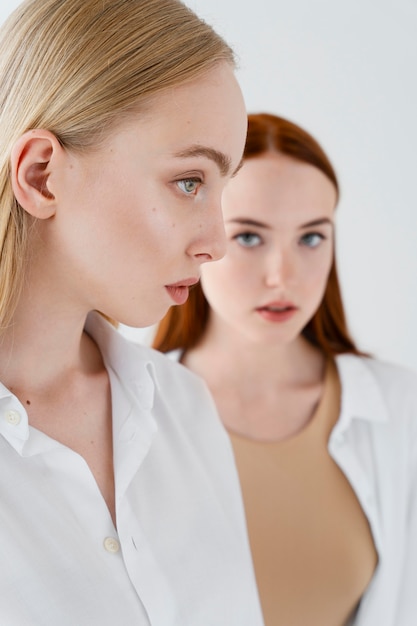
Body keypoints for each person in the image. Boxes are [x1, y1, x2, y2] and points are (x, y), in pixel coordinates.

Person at [0, 1, 265, 624]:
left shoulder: (184, 407)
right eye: (189, 182)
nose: (217, 242)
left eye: (221, 189)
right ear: (41, 176)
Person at [153, 112, 417, 625]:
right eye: (250, 237)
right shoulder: (128, 408)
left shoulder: (401, 410)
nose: (284, 275)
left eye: (311, 238)